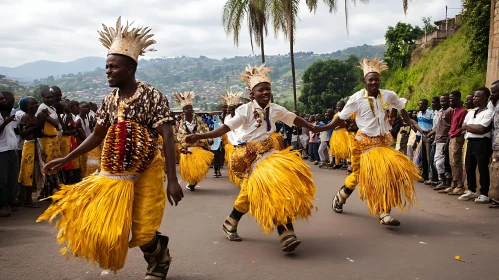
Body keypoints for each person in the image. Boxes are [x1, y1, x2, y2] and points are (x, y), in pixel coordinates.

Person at [37, 17, 183, 279]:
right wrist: (66, 158)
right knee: (113, 224)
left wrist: (173, 179)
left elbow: (168, 136)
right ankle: (158, 249)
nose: (107, 71)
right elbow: (96, 135)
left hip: (148, 168)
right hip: (113, 172)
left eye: (113, 67)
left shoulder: (152, 95)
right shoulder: (107, 101)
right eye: (106, 67)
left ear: (130, 68)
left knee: (143, 228)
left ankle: (158, 259)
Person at [185, 63, 316, 252]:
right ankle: (285, 230)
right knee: (273, 185)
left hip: (271, 154)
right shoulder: (244, 111)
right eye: (260, 90)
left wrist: (313, 127)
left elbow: (293, 118)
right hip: (251, 157)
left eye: (268, 89)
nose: (265, 93)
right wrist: (200, 136)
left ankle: (230, 222)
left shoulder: (276, 108)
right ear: (251, 94)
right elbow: (225, 129)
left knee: (249, 192)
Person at [316, 57, 422, 226]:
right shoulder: (356, 98)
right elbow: (341, 117)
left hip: (382, 143)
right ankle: (340, 197)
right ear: (364, 81)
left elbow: (403, 112)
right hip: (363, 144)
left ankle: (384, 211)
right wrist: (321, 128)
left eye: (377, 79)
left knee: (386, 174)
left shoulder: (389, 95)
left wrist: (415, 125)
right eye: (370, 79)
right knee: (358, 176)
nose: (374, 82)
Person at [458, 88, 494, 204]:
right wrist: (471, 127)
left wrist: (468, 126)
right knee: (469, 167)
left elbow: (482, 129)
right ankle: (472, 190)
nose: (474, 98)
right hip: (471, 142)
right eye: (474, 96)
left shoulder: (488, 112)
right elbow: (462, 126)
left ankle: (484, 194)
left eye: (477, 97)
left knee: (482, 168)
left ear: (484, 98)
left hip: (482, 142)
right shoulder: (471, 112)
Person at [175, 91, 214, 191]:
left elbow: (206, 130)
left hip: (198, 147)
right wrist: (186, 139)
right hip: (187, 148)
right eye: (187, 108)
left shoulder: (199, 119)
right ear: (183, 111)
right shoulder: (181, 123)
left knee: (200, 168)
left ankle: (194, 182)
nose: (189, 110)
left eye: (190, 108)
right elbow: (179, 136)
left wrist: (208, 138)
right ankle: (191, 182)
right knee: (190, 170)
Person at [36, 88, 62, 199]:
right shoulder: (43, 109)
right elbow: (41, 126)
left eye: (52, 97)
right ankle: (50, 192)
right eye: (48, 97)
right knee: (49, 165)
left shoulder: (52, 108)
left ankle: (50, 190)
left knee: (54, 164)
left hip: (54, 140)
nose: (51, 99)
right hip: (47, 141)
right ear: (43, 98)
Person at [17, 97, 42, 208]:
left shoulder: (36, 118)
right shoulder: (25, 118)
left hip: (36, 144)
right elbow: (23, 134)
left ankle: (29, 198)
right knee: (28, 172)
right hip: (28, 145)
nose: (36, 105)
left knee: (35, 170)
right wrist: (34, 127)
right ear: (27, 107)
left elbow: (39, 133)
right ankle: (27, 199)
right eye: (32, 104)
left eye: (36, 103)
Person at [442, 91, 468, 195]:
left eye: (452, 99)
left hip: (457, 137)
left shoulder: (463, 111)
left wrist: (454, 134)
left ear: (458, 98)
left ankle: (460, 185)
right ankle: (454, 183)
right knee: (451, 161)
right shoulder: (453, 111)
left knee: (456, 161)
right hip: (451, 136)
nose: (450, 101)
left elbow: (462, 126)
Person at [0, 92, 20, 217]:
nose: (4, 101)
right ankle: (2, 205)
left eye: (3, 99)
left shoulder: (8, 114)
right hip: (2, 151)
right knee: (2, 180)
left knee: (12, 179)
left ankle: (8, 202)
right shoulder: (4, 118)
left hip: (12, 149)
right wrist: (6, 122)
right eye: (0, 99)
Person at [427, 94, 453, 191]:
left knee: (440, 163)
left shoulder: (450, 111)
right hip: (437, 139)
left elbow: (451, 127)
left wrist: (447, 141)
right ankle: (442, 181)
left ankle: (445, 182)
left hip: (444, 140)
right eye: (441, 101)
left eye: (444, 101)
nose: (442, 103)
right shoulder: (442, 112)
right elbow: (438, 126)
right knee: (436, 162)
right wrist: (429, 134)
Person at [221, 91, 244, 187]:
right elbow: (226, 130)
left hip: (242, 144)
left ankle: (242, 181)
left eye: (232, 109)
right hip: (231, 144)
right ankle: (238, 180)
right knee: (233, 164)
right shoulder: (227, 118)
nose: (230, 111)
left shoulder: (242, 117)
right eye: (229, 109)